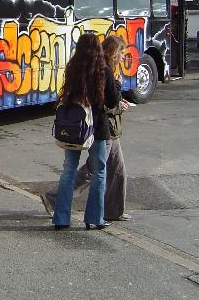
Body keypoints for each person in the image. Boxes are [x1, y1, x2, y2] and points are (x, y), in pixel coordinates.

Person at [41, 36, 131, 221]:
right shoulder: (102, 70)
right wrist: (117, 85)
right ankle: (93, 218)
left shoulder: (74, 68)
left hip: (78, 127)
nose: (123, 56)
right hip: (99, 127)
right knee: (97, 171)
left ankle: (63, 218)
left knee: (72, 170)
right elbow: (109, 101)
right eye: (121, 52)